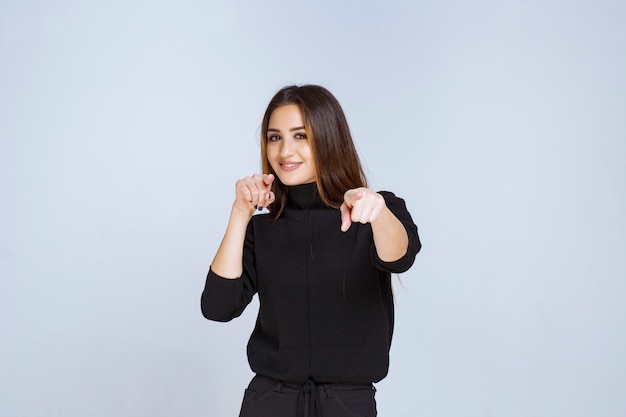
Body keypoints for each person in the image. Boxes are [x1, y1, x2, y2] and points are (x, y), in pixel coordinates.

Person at [201, 85, 421, 417]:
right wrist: (241, 213)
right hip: (269, 401)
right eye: (275, 137)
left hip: (346, 404)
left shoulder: (376, 210)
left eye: (300, 136)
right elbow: (217, 307)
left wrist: (376, 211)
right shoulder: (262, 228)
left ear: (328, 138)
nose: (285, 151)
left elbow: (400, 256)